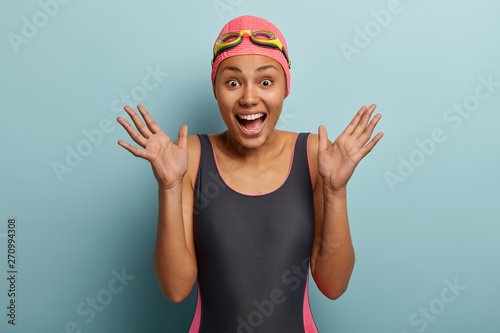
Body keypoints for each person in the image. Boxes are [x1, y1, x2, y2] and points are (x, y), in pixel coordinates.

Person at [117, 15, 383, 333]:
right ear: (215, 89)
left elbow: (333, 285)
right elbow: (176, 291)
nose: (248, 97)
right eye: (232, 82)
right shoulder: (188, 157)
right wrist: (170, 186)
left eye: (266, 81)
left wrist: (335, 190)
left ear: (286, 87)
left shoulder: (316, 157)